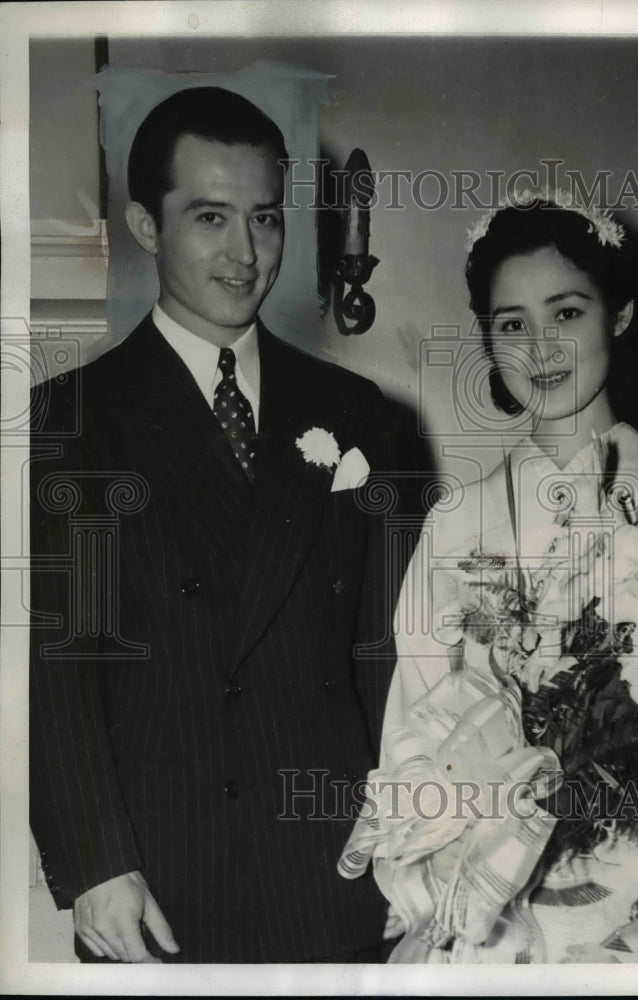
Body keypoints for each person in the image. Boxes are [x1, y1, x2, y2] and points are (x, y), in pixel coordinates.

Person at [30, 86, 400, 963]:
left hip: (339, 867)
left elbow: (389, 653)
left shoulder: (358, 411)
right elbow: (59, 668)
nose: (245, 253)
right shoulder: (71, 421)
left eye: (265, 218)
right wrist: (93, 865)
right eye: (210, 217)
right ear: (146, 226)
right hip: (159, 886)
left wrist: (417, 837)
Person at [339, 191, 638, 963]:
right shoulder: (456, 523)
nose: (540, 347)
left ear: (618, 314)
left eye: (567, 313)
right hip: (494, 903)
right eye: (512, 325)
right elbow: (412, 726)